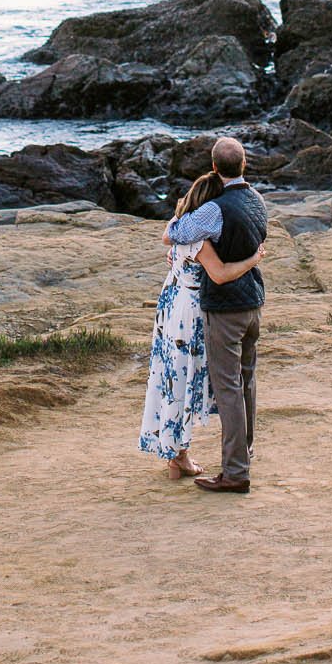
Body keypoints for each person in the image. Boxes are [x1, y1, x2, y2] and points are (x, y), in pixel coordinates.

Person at [139, 168, 266, 481]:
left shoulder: (184, 232)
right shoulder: (201, 242)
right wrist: (253, 260)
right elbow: (220, 274)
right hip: (193, 314)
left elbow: (171, 239)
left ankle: (177, 455)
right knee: (189, 382)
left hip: (172, 306)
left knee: (172, 379)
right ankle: (181, 456)